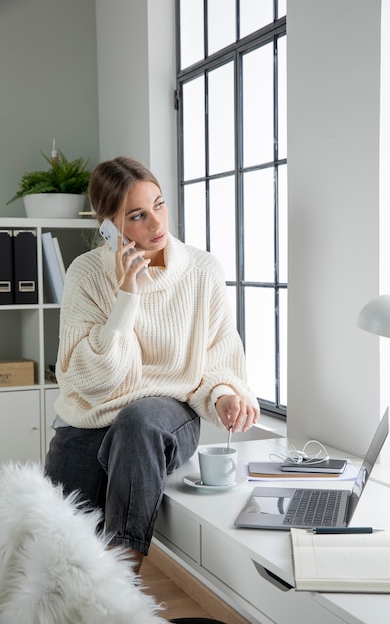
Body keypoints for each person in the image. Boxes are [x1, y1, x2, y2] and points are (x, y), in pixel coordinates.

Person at [45, 156, 260, 572]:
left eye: (159, 205)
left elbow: (219, 359)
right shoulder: (86, 274)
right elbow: (91, 379)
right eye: (138, 216)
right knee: (55, 551)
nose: (157, 224)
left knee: (139, 419)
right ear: (109, 225)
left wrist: (223, 395)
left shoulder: (202, 271)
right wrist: (128, 294)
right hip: (93, 413)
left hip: (165, 411)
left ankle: (124, 576)